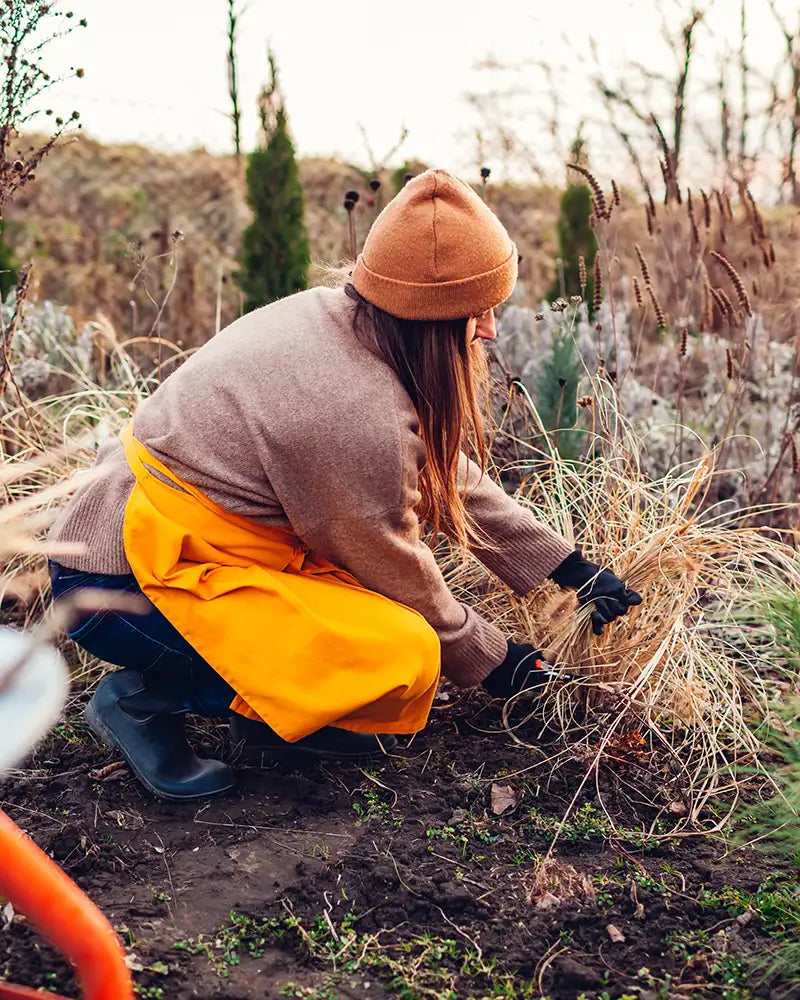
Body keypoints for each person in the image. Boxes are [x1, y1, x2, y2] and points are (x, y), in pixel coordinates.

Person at [49, 170, 641, 803]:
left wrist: (568, 568)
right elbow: (394, 567)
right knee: (402, 652)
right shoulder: (351, 409)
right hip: (122, 588)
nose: (490, 329)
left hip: (178, 549)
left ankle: (276, 721)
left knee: (371, 634)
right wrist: (497, 662)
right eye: (479, 311)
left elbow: (434, 473)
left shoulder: (338, 322)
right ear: (431, 319)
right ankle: (142, 701)